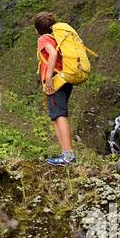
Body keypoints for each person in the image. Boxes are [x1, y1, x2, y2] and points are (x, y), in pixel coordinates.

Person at [34, 11, 75, 166]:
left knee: (59, 115)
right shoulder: (57, 38)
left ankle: (68, 156)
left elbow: (52, 55)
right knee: (56, 115)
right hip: (65, 79)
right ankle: (65, 153)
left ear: (38, 29)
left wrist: (49, 77)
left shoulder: (43, 39)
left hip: (56, 81)